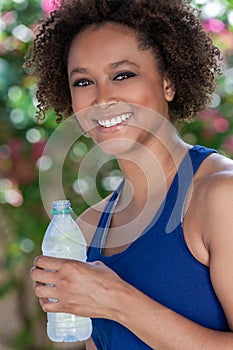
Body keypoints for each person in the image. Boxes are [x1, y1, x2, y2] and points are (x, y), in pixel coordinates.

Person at [28, 0, 233, 349]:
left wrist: (117, 300)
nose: (102, 98)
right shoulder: (89, 229)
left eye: (123, 75)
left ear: (168, 82)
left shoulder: (221, 196)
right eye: (83, 81)